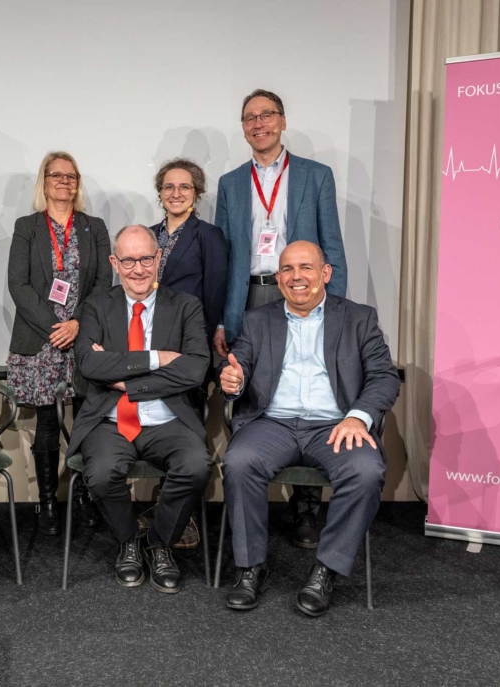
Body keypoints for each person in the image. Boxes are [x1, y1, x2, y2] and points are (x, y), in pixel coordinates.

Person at [218, 241, 398, 616]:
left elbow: (384, 377)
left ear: (325, 273)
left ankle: (326, 570)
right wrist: (234, 380)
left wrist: (358, 416)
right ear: (278, 277)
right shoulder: (257, 320)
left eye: (306, 267)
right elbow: (240, 364)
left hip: (335, 425)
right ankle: (250, 567)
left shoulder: (359, 318)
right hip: (273, 423)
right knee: (239, 461)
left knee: (365, 471)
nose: (296, 276)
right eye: (287, 269)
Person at [214, 88, 350, 548]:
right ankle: (250, 490)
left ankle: (306, 508)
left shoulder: (315, 175)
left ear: (282, 121)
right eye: (250, 117)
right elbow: (225, 258)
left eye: (267, 114)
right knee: (253, 391)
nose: (259, 123)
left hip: (304, 291)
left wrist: (336, 313)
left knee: (312, 386)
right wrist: (223, 319)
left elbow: (332, 246)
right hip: (250, 297)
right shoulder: (231, 183)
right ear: (243, 128)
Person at [69, 225, 212, 593]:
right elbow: (89, 364)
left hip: (168, 418)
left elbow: (195, 368)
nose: (138, 269)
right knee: (101, 473)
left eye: (146, 259)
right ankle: (129, 540)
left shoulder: (186, 306)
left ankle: (160, 543)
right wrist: (157, 358)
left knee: (196, 466)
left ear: (158, 258)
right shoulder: (96, 306)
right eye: (129, 260)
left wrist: (125, 379)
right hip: (110, 419)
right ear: (114, 263)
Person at [7, 151, 111, 535]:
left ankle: (84, 495)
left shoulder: (94, 227)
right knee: (48, 423)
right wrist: (57, 327)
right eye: (57, 175)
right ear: (45, 181)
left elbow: (103, 283)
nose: (64, 181)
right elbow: (18, 284)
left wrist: (77, 323)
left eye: (71, 176)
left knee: (85, 420)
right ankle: (48, 501)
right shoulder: (27, 226)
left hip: (83, 336)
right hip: (42, 338)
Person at [144, 158, 228, 547]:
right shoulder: (147, 236)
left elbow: (213, 295)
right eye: (168, 186)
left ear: (197, 193)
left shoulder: (208, 235)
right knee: (157, 426)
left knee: (187, 429)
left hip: (189, 349)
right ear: (159, 192)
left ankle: (185, 516)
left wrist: (204, 353)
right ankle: (163, 508)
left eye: (184, 187)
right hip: (147, 346)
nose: (175, 193)